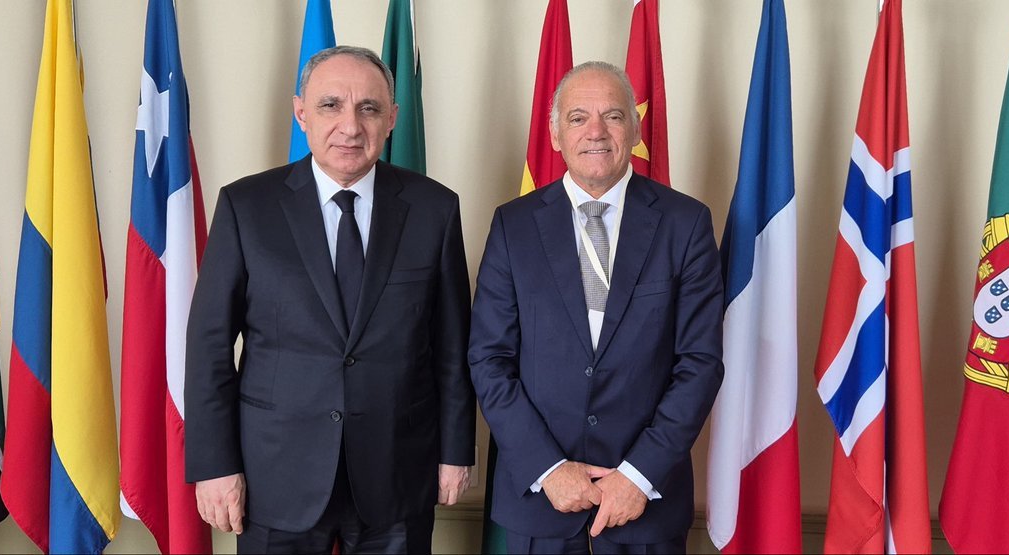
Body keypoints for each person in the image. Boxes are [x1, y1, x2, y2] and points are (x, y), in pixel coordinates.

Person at [185, 45, 474, 554]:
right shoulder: (246, 206)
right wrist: (215, 465)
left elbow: (452, 347)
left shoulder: (435, 208)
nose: (350, 126)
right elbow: (209, 346)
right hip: (275, 476)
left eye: (369, 108)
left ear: (392, 118)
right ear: (301, 113)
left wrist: (455, 451)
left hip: (397, 471)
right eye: (330, 105)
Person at [469, 61, 724, 554]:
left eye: (613, 115)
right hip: (540, 502)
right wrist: (548, 469)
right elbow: (489, 359)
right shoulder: (512, 226)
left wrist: (639, 474)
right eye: (578, 117)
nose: (596, 131)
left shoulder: (686, 223)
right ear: (555, 135)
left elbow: (700, 363)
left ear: (636, 128)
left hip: (645, 501)